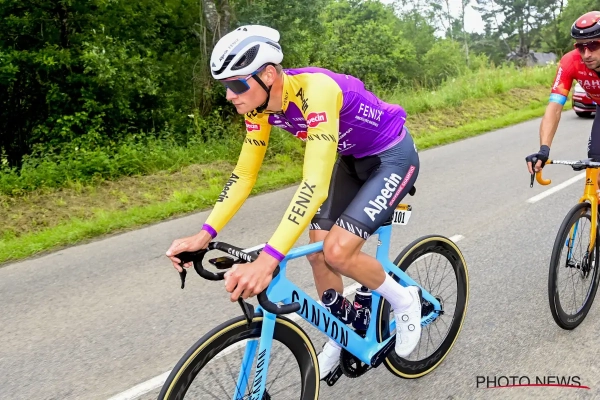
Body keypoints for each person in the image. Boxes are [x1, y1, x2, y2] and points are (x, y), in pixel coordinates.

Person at [165, 25, 422, 379]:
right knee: (318, 254)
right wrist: (203, 234)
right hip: (351, 161)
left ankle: (405, 300)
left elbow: (313, 185)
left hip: (391, 157)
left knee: (337, 252)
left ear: (269, 75)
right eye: (225, 86)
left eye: (236, 84)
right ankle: (341, 334)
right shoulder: (259, 109)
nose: (228, 95)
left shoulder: (317, 92)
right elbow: (244, 175)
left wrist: (267, 260)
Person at [527, 11, 600, 185]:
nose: (586, 54)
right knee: (596, 166)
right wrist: (544, 150)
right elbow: (554, 108)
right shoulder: (570, 62)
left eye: (594, 45)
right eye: (580, 47)